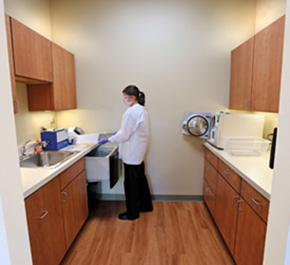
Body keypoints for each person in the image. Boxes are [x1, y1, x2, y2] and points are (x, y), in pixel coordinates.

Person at [98, 85, 153, 220]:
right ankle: (146, 205)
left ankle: (132, 213)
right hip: (138, 153)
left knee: (131, 184)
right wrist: (118, 133)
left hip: (132, 153)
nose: (124, 100)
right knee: (140, 179)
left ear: (132, 97)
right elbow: (130, 130)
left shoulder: (131, 112)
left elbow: (124, 135)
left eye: (125, 97)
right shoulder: (142, 110)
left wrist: (108, 139)